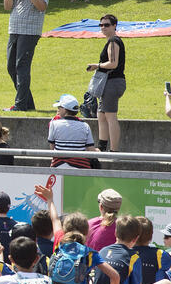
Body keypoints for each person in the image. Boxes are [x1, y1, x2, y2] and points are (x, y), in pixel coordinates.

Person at [4, 0, 50, 111]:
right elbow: (7, 6)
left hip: (30, 31)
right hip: (14, 29)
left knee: (22, 67)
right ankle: (28, 103)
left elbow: (42, 7)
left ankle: (20, 105)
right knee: (11, 67)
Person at [90, 14, 126, 151]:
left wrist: (96, 65)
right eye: (101, 25)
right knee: (101, 115)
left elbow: (113, 63)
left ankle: (114, 151)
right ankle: (102, 148)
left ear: (114, 26)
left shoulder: (113, 41)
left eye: (107, 25)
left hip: (113, 82)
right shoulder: (111, 41)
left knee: (110, 116)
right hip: (109, 83)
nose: (103, 27)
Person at [47, 94, 96, 169]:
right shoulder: (85, 126)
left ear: (65, 109)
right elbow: (91, 150)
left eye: (59, 107)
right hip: (81, 167)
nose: (58, 109)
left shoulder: (54, 124)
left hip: (59, 166)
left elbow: (52, 148)